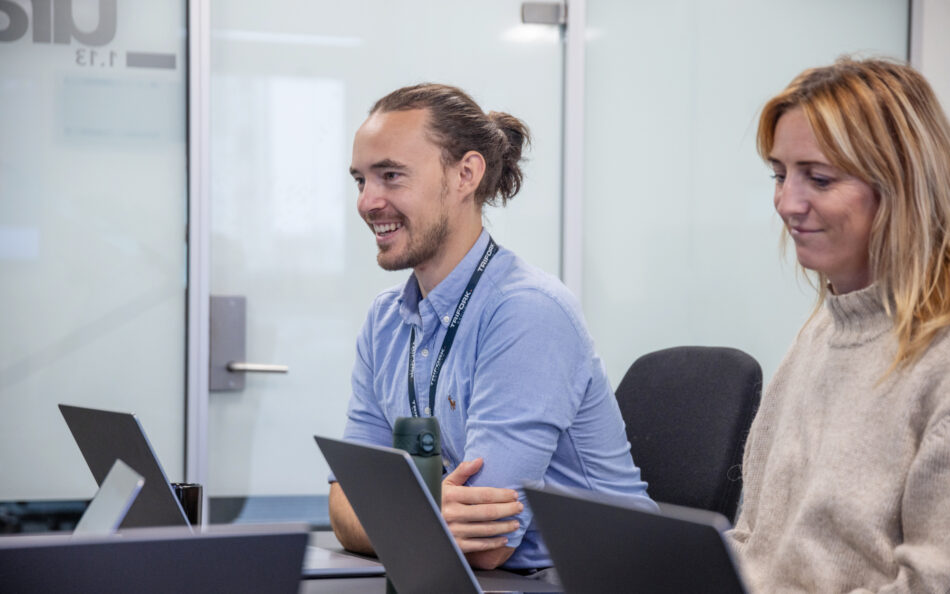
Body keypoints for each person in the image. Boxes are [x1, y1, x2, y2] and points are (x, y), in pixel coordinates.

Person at [328, 83, 655, 572]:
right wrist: (423, 519)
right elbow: (342, 504)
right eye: (361, 180)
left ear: (465, 175)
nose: (367, 202)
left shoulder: (527, 312)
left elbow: (486, 544)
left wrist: (395, 515)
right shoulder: (386, 320)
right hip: (483, 578)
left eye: (391, 176)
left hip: (591, 579)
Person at [729, 57, 950, 592]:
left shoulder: (938, 361)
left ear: (900, 184)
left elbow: (931, 583)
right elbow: (754, 540)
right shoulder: (820, 333)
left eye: (820, 179)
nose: (787, 203)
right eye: (780, 175)